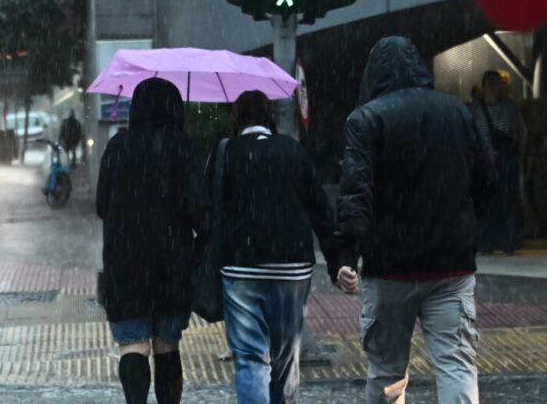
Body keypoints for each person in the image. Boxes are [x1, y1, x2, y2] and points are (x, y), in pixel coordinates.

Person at [334, 36, 494, 404]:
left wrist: (347, 255)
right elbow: (488, 178)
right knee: (456, 364)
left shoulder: (367, 118)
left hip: (389, 264)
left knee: (387, 371)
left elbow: (355, 190)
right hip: (451, 265)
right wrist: (466, 226)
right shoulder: (457, 112)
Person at [208, 90, 337, 404]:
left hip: (241, 264)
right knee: (285, 356)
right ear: (271, 117)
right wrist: (338, 262)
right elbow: (322, 211)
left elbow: (207, 211)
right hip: (293, 265)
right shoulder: (293, 150)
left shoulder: (225, 152)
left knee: (250, 357)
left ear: (236, 117)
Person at [96, 78, 206, 404]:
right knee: (166, 345)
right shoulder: (183, 147)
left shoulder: (117, 146)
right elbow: (201, 212)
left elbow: (102, 206)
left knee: (133, 345)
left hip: (125, 263)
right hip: (173, 263)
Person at [473, 70, 526, 255]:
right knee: (489, 203)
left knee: (507, 202)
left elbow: (519, 132)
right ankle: (488, 242)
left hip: (507, 162)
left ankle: (507, 241)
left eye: (496, 83)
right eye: (490, 83)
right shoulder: (477, 108)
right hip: (487, 162)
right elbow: (477, 134)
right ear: (484, 86)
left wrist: (517, 156)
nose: (493, 87)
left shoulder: (510, 107)